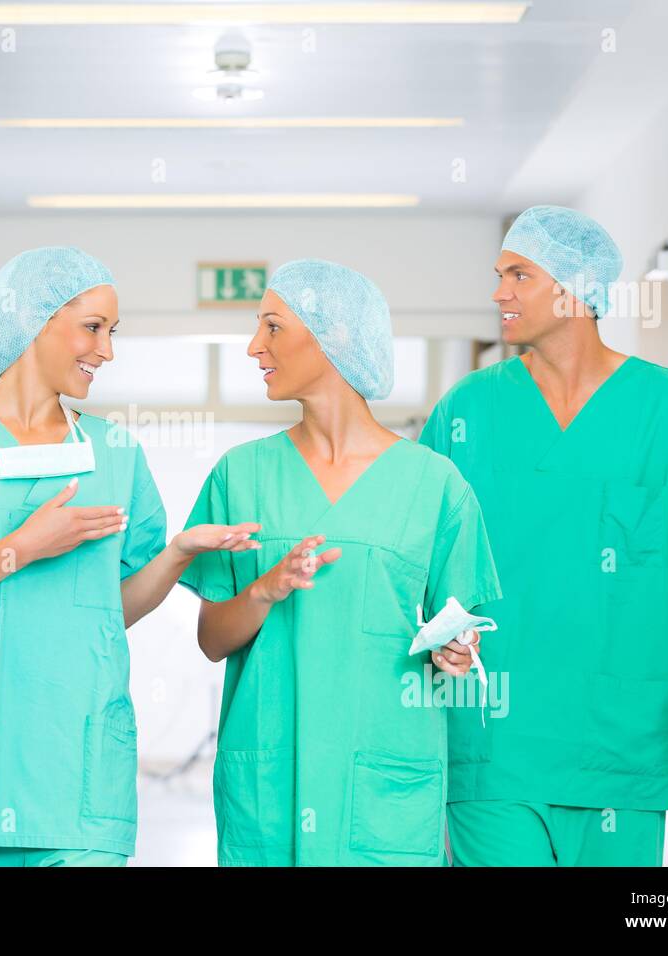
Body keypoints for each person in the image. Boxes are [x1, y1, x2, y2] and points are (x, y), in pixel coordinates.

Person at [0, 246, 257, 867]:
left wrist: (175, 555)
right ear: (34, 320)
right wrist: (21, 548)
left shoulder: (115, 454)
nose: (107, 351)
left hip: (79, 772)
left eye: (112, 332)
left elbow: (105, 612)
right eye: (93, 328)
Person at [419, 205, 668, 866]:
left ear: (575, 289)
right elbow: (427, 553)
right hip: (495, 747)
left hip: (624, 748)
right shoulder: (465, 410)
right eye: (500, 275)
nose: (499, 293)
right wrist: (440, 632)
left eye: (518, 274)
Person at [178, 259, 502, 866]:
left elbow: (461, 634)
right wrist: (265, 591)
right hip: (271, 782)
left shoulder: (434, 485)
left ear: (339, 337)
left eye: (273, 327)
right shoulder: (240, 476)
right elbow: (212, 641)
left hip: (382, 786)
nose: (254, 346)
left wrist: (456, 651)